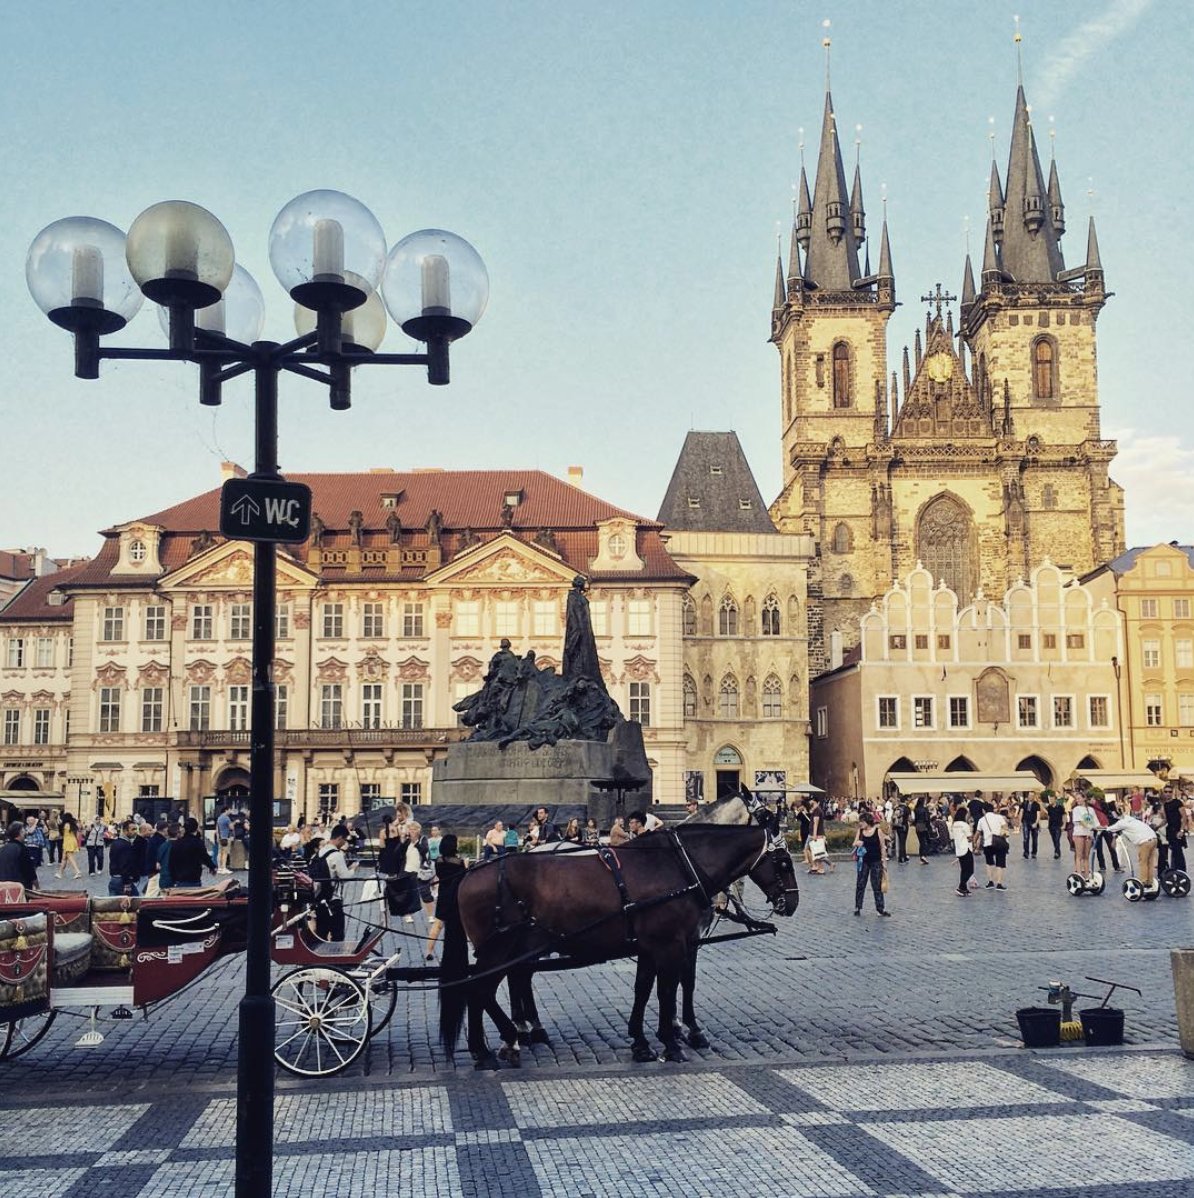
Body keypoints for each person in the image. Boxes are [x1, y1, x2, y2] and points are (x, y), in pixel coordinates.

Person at [312, 824, 356, 940]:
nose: (344, 843)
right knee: (338, 934)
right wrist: (353, 869)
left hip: (319, 899)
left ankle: (321, 956)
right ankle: (337, 956)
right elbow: (345, 878)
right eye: (345, 840)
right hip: (333, 900)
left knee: (321, 933)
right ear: (340, 838)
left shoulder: (320, 852)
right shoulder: (337, 855)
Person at [1104, 811, 1159, 887]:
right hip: (1154, 839)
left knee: (1143, 862)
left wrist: (1101, 828)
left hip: (1145, 841)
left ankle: (1143, 882)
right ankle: (1149, 881)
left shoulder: (1122, 823)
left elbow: (1109, 828)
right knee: (1150, 862)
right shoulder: (1134, 821)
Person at [852, 810, 890, 917]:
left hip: (876, 861)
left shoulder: (878, 831)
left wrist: (884, 863)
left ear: (867, 821)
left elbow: (882, 847)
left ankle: (880, 909)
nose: (860, 824)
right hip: (863, 861)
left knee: (877, 885)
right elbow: (854, 842)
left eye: (862, 821)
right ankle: (858, 907)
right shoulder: (860, 831)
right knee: (860, 884)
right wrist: (859, 843)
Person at [169, 817, 215, 888]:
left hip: (179, 879)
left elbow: (171, 861)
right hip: (194, 878)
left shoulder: (176, 843)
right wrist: (212, 867)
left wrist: (173, 878)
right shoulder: (197, 842)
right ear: (196, 828)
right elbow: (204, 857)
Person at [976, 802, 1010, 890]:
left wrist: (974, 842)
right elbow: (1005, 827)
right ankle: (999, 883)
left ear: (984, 810)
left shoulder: (982, 820)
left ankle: (990, 881)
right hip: (1000, 842)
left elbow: (978, 833)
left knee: (989, 862)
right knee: (1000, 863)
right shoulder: (999, 817)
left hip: (988, 843)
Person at [0, 822, 37, 891]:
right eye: (23, 830)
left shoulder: (2, 849)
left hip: (3, 886)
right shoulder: (22, 849)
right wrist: (37, 887)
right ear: (20, 833)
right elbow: (29, 872)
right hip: (20, 887)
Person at [1070, 792, 1098, 879]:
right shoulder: (1076, 809)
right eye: (1076, 799)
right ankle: (1079, 875)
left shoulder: (1091, 810)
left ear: (1084, 798)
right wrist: (1089, 827)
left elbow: (1095, 822)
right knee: (1079, 855)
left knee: (1086, 856)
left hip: (1088, 834)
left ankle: (1087, 876)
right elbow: (1080, 821)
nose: (1077, 800)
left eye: (1079, 798)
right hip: (1079, 834)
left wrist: (1100, 827)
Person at [107, 821, 140, 896]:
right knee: (135, 902)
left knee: (114, 904)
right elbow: (125, 865)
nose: (135, 832)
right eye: (133, 829)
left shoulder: (115, 843)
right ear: (125, 831)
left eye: (136, 829)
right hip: (122, 881)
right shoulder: (125, 845)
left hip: (114, 879)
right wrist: (127, 884)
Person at [950, 800, 974, 896]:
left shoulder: (954, 825)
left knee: (963, 869)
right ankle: (961, 886)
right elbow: (969, 838)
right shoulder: (965, 825)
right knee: (970, 870)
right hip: (966, 848)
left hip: (959, 849)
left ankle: (964, 888)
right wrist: (971, 828)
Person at [55, 814, 83, 880]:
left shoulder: (65, 825)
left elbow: (61, 833)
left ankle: (77, 871)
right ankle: (60, 873)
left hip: (68, 841)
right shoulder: (72, 824)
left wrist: (59, 824)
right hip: (72, 840)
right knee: (64, 858)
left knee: (70, 857)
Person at [1019, 793, 1043, 860]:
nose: (1030, 797)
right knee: (1026, 838)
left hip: (1034, 822)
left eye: (1032, 796)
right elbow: (1021, 812)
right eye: (1029, 796)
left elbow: (1038, 814)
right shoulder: (1024, 804)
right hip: (1026, 822)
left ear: (1034, 797)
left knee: (1035, 839)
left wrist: (1036, 823)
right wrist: (1020, 822)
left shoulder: (1036, 805)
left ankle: (1034, 853)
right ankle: (1026, 852)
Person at [1046, 792, 1066, 859]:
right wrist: (1048, 824)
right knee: (1054, 839)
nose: (1051, 801)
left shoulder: (1060, 807)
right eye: (1050, 799)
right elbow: (1049, 816)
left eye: (1052, 799)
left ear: (1055, 800)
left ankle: (1056, 853)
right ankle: (1057, 851)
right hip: (1051, 826)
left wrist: (1064, 824)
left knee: (1057, 839)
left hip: (1058, 825)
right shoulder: (1049, 807)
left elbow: (1064, 815)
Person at [215, 805, 233, 873]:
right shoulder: (227, 818)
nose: (230, 811)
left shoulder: (219, 818)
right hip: (226, 837)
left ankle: (219, 868)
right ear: (226, 810)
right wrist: (234, 823)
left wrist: (217, 836)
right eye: (229, 810)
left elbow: (217, 828)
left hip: (220, 837)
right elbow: (231, 827)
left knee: (219, 852)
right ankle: (224, 868)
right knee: (225, 853)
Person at [891, 797, 910, 864]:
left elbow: (893, 817)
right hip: (904, 826)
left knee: (900, 841)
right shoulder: (907, 808)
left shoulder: (896, 808)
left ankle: (902, 856)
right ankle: (902, 858)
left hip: (898, 826)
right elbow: (910, 818)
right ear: (905, 800)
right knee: (903, 842)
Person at [913, 796, 932, 864]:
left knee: (921, 842)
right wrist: (929, 827)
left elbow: (914, 819)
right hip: (924, 826)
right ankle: (924, 855)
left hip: (918, 826)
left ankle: (921, 856)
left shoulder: (915, 809)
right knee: (925, 841)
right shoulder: (925, 809)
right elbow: (927, 819)